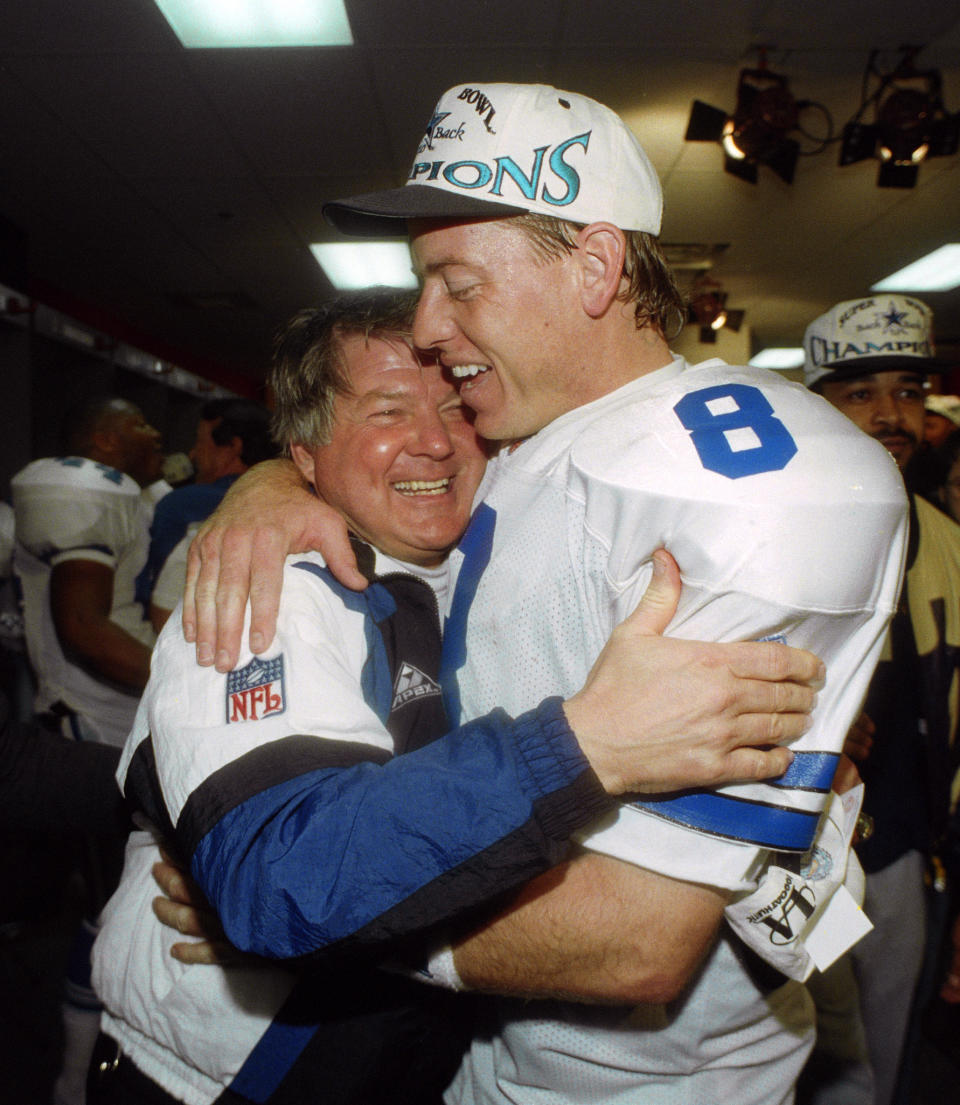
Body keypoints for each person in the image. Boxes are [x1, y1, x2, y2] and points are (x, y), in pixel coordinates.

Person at [180, 84, 907, 1104]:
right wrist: (267, 485)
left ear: (598, 267)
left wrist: (326, 922)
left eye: (457, 284)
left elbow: (633, 940)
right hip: (477, 1049)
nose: (429, 326)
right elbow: (385, 471)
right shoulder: (517, 428)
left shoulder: (758, 488)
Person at [92, 289, 809, 1105]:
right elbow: (289, 872)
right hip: (210, 1080)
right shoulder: (266, 588)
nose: (433, 442)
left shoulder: (499, 563)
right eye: (386, 411)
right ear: (305, 448)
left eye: (454, 406)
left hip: (408, 1065)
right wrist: (587, 743)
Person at [801, 294, 960, 1105]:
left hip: (897, 847)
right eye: (861, 394)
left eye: (906, 390)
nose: (890, 414)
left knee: (881, 1063)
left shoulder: (950, 544)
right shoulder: (764, 526)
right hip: (780, 851)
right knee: (792, 1060)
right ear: (817, 402)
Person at [12, 396, 164, 747]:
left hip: (135, 712)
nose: (155, 434)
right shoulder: (82, 488)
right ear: (105, 440)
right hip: (97, 724)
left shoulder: (139, 500)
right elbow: (83, 627)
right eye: (139, 425)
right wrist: (183, 682)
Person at [146, 398, 275, 631]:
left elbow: (155, 592)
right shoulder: (290, 508)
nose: (193, 454)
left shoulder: (179, 504)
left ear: (233, 447)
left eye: (200, 442)